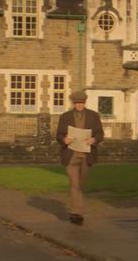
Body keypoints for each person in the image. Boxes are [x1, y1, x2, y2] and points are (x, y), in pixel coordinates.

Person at [55, 90, 105, 226]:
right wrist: (64, 140)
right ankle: (76, 213)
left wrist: (94, 139)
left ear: (85, 102)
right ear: (73, 103)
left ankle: (76, 206)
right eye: (77, 103)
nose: (79, 105)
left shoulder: (94, 116)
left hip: (87, 155)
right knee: (75, 184)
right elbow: (59, 135)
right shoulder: (65, 117)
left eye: (81, 103)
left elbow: (100, 134)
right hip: (70, 155)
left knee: (80, 185)